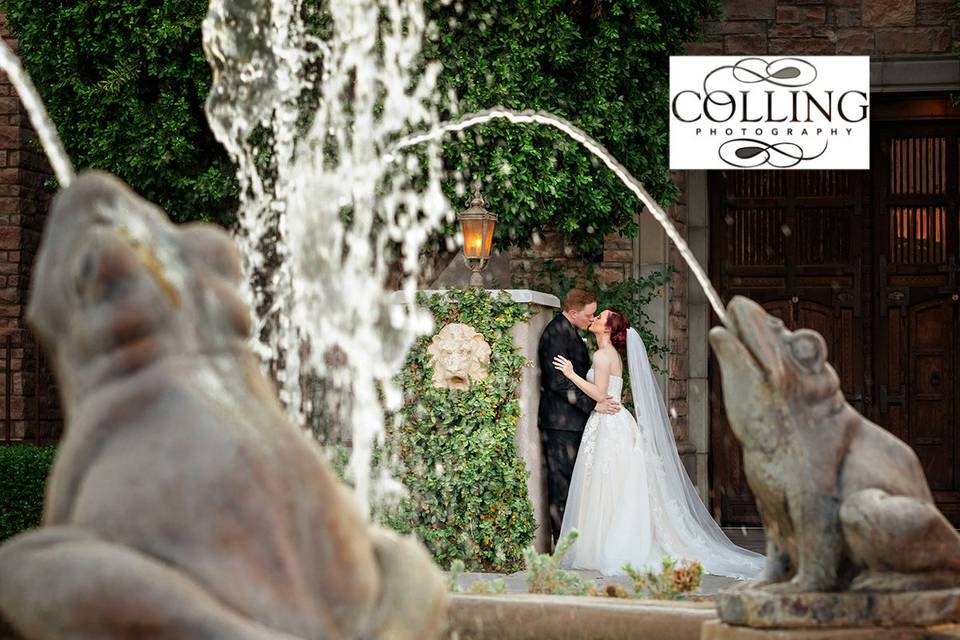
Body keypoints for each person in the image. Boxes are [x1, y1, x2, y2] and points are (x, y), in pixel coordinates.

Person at [552, 309, 764, 578]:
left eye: (601, 316)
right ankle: (604, 544)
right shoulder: (611, 355)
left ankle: (604, 546)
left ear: (607, 328)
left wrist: (570, 374)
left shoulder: (602, 355)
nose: (594, 318)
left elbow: (600, 394)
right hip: (612, 422)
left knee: (606, 484)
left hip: (608, 425)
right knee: (611, 485)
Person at [537, 289, 620, 547]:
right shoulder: (556, 334)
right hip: (560, 424)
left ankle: (576, 543)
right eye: (588, 314)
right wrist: (593, 405)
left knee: (575, 485)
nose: (591, 318)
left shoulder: (572, 333)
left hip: (574, 422)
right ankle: (562, 545)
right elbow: (557, 382)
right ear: (573, 313)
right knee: (561, 485)